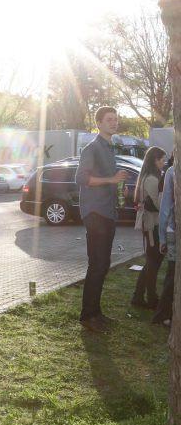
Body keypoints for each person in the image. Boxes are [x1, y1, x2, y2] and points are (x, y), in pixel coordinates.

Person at [75, 106, 127, 333]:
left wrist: (117, 188)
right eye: (109, 120)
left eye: (116, 119)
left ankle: (95, 312)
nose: (114, 123)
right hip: (95, 214)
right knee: (97, 265)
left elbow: (108, 180)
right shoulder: (92, 148)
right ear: (99, 123)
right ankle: (88, 315)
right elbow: (81, 178)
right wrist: (111, 180)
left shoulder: (109, 148)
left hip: (107, 212)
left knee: (103, 265)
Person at [131, 147, 166, 309]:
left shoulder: (149, 176)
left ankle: (139, 297)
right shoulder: (152, 179)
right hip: (152, 225)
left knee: (152, 262)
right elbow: (159, 204)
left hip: (151, 224)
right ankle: (151, 299)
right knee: (153, 263)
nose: (164, 163)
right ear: (154, 160)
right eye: (162, 160)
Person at [152, 164, 175, 326]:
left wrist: (162, 237)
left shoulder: (172, 171)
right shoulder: (173, 171)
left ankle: (163, 314)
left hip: (173, 229)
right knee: (173, 274)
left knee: (172, 274)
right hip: (174, 229)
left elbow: (165, 206)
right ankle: (163, 314)